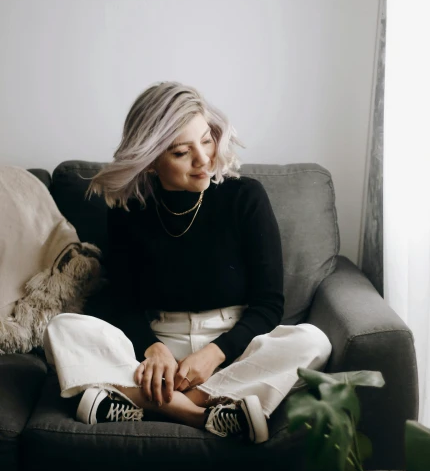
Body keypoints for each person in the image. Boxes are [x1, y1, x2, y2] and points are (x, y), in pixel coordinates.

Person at [43, 82, 332, 444]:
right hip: (156, 352)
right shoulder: (128, 211)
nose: (203, 159)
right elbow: (124, 301)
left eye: (206, 140)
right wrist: (153, 349)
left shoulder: (245, 197)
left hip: (232, 347)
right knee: (62, 328)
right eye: (182, 151)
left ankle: (141, 403)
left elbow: (269, 305)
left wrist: (215, 353)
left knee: (312, 341)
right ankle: (204, 414)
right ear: (151, 161)